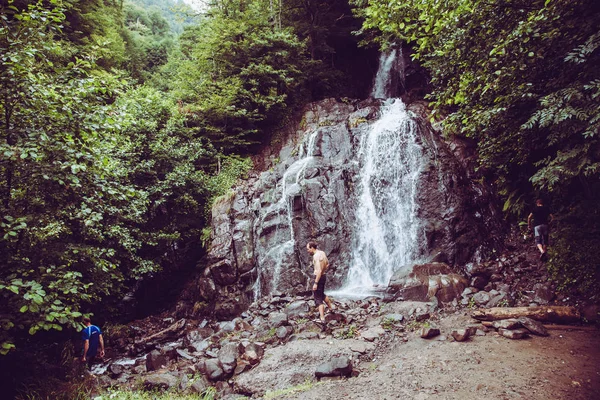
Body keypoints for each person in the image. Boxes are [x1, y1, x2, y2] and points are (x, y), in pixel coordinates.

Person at [307, 241, 334, 323]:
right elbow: (327, 264)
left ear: (312, 248)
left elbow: (318, 271)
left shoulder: (316, 256)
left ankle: (322, 319)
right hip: (323, 276)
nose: (307, 251)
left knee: (318, 298)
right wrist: (323, 271)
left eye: (308, 249)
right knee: (321, 294)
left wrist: (315, 283)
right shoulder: (322, 253)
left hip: (318, 277)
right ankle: (331, 308)